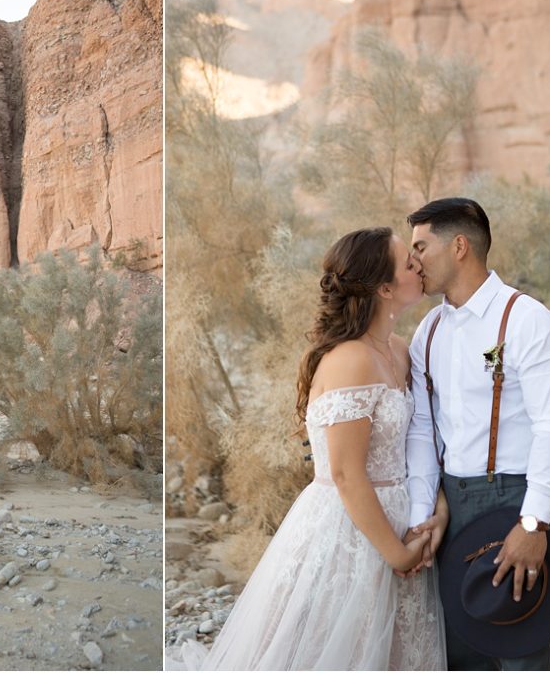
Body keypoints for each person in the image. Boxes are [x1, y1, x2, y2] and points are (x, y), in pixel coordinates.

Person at [167, 227, 447, 671]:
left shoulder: (399, 349)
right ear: (385, 288)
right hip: (352, 529)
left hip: (402, 517)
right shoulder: (350, 359)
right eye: (409, 263)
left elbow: (419, 441)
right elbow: (345, 473)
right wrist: (397, 553)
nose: (420, 266)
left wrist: (434, 509)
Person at [404, 197, 550, 671]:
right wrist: (425, 512)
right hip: (451, 502)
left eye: (421, 245)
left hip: (513, 498)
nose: (412, 259)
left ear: (459, 246)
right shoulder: (429, 331)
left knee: (519, 640)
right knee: (461, 645)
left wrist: (533, 523)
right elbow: (421, 428)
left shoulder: (527, 320)